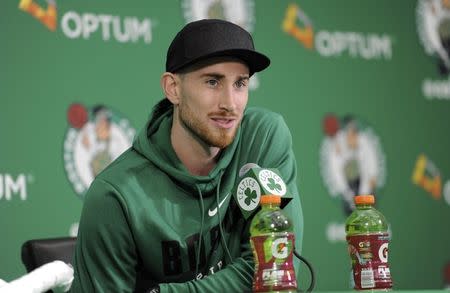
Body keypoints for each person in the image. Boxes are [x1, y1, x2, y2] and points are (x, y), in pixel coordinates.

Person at [70, 18, 303, 293]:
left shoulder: (263, 138)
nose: (230, 103)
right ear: (173, 88)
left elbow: (274, 268)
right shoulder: (116, 194)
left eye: (240, 83)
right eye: (213, 81)